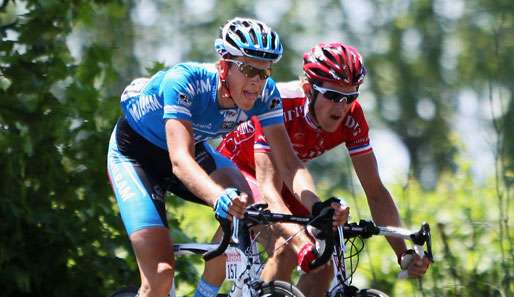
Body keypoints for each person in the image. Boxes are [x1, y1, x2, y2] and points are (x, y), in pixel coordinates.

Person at [107, 18, 348, 297]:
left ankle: (205, 293)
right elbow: (180, 161)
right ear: (224, 66)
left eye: (265, 72)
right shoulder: (185, 82)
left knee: (252, 208)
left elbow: (289, 163)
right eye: (248, 69)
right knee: (160, 277)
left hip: (192, 150)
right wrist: (218, 197)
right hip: (137, 157)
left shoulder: (265, 95)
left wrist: (317, 207)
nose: (257, 82)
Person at [217, 42, 432, 296]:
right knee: (285, 249)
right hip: (236, 171)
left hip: (287, 177)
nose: (341, 108)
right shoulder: (279, 104)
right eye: (332, 96)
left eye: (350, 98)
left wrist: (402, 253)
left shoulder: (352, 118)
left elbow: (375, 191)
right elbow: (269, 191)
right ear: (309, 89)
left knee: (323, 261)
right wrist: (299, 239)